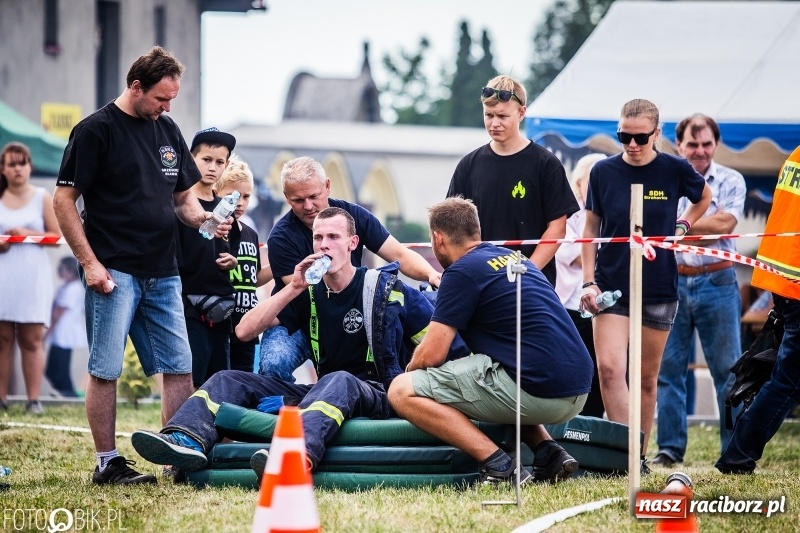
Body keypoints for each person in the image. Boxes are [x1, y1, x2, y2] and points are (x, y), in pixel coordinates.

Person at [129, 207, 466, 475]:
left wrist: (418, 388)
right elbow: (244, 331)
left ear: (352, 244)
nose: (324, 245)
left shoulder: (386, 287)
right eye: (318, 238)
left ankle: (294, 456)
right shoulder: (309, 291)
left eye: (333, 237)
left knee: (339, 380)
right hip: (325, 395)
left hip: (380, 392)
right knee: (227, 379)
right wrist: (292, 288)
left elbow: (444, 346)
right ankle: (184, 439)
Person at [53, 46, 230, 485]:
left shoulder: (166, 129)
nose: (167, 108)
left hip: (164, 270)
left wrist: (206, 219)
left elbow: (183, 201)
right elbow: (63, 200)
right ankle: (107, 462)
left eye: (172, 100)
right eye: (161, 99)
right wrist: (89, 264)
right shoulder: (95, 131)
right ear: (136, 87)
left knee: (179, 365)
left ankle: (177, 454)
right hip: (113, 271)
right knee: (105, 368)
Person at [388, 197, 593, 484]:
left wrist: (411, 371)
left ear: (437, 238)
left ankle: (498, 465)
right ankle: (548, 453)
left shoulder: (460, 271)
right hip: (578, 388)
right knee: (489, 368)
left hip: (539, 393)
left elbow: (431, 356)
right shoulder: (517, 259)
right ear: (476, 232)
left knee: (401, 390)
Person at [580, 99, 711, 474]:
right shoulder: (603, 172)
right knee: (608, 368)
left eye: (640, 137)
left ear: (656, 134)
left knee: (646, 378)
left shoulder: (673, 169)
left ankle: (638, 454)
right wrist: (588, 281)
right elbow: (590, 231)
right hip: (611, 285)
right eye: (624, 136)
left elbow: (703, 197)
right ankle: (624, 455)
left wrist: (684, 226)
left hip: (657, 287)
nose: (632, 144)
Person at [260, 156, 442, 381]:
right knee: (272, 364)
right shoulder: (280, 237)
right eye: (298, 200)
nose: (308, 206)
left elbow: (399, 254)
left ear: (327, 186)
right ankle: (287, 409)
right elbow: (306, 294)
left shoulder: (355, 216)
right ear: (286, 198)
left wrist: (430, 274)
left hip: (349, 311)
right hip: (299, 321)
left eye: (313, 196)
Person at [652, 114, 747, 468]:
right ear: (679, 145)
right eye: (693, 144)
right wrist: (695, 226)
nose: (701, 150)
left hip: (718, 279)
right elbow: (712, 222)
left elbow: (727, 223)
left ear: (716, 144)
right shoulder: (663, 178)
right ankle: (669, 449)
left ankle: (734, 451)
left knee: (729, 371)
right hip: (671, 279)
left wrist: (676, 225)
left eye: (707, 144)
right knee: (668, 371)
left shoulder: (731, 179)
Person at [446, 74, 579, 287]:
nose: (494, 123)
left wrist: (527, 272)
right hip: (480, 282)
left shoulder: (546, 164)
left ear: (521, 113)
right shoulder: (468, 165)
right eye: (489, 115)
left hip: (532, 284)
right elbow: (453, 227)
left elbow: (557, 228)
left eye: (502, 116)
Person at [715, 145, 800, 474]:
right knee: (788, 380)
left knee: (785, 377)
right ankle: (737, 456)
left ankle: (737, 454)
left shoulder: (795, 153)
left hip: (782, 280)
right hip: (794, 282)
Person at [0, 141, 61, 414]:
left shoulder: (42, 196)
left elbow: (56, 235)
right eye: (11, 164)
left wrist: (24, 231)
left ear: (29, 166)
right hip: (4, 273)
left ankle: (33, 399)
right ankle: (2, 398)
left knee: (31, 339)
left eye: (21, 163)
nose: (17, 169)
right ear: (3, 168)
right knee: (2, 340)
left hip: (32, 275)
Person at [180, 127, 238, 388]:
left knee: (218, 383)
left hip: (221, 307)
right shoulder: (180, 203)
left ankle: (213, 431)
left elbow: (232, 251)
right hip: (188, 303)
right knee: (188, 379)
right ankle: (179, 428)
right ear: (191, 159)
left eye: (220, 162)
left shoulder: (226, 208)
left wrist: (233, 261)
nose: (213, 167)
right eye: (206, 159)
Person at [554, 153, 607, 418]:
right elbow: (571, 254)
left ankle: (596, 427)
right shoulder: (567, 216)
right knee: (574, 370)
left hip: (605, 307)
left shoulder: (610, 214)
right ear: (577, 185)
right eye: (592, 180)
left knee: (601, 371)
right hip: (570, 307)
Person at [213, 155, 273, 372]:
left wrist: (280, 266)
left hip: (247, 323)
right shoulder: (213, 229)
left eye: (246, 196)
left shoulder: (250, 233)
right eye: (232, 195)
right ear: (216, 193)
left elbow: (253, 278)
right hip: (220, 324)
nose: (240, 203)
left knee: (244, 379)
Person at [45, 256, 87, 397]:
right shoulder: (64, 287)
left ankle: (69, 393)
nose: (59, 271)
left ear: (71, 271)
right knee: (53, 369)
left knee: (60, 367)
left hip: (65, 333)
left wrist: (46, 333)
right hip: (59, 332)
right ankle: (64, 392)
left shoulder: (73, 288)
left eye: (63, 269)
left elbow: (58, 313)